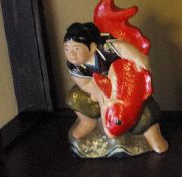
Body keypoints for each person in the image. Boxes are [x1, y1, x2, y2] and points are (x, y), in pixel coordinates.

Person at [64, 22, 168, 154]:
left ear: (92, 47)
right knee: (75, 97)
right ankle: (87, 121)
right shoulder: (74, 67)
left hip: (124, 85)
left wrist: (137, 58)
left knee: (142, 108)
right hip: (101, 90)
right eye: (66, 49)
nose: (71, 54)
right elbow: (84, 84)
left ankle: (152, 134)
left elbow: (123, 48)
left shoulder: (105, 48)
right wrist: (100, 93)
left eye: (76, 49)